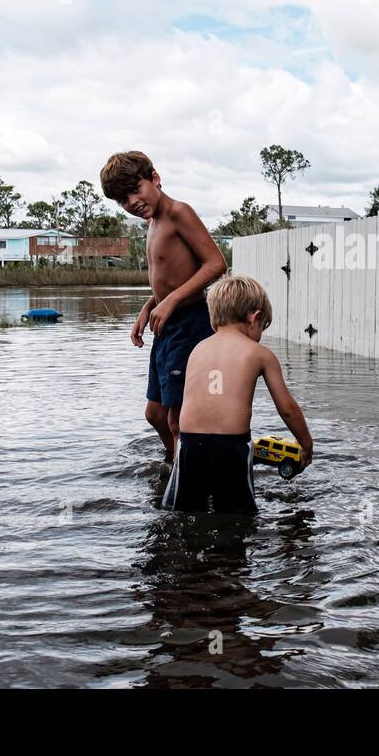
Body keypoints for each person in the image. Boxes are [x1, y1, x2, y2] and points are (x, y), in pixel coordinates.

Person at [99, 151, 227, 463]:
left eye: (135, 190)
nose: (132, 202)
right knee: (155, 414)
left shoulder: (178, 213)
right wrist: (149, 307)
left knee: (177, 418)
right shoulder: (153, 223)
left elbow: (216, 264)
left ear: (154, 178)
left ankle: (189, 479)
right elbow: (167, 280)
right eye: (122, 200)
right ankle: (176, 462)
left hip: (190, 323)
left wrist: (169, 301)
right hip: (166, 324)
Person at [166, 275, 314, 514]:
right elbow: (287, 408)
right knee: (238, 516)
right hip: (231, 447)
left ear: (214, 321)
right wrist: (306, 444)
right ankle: (229, 550)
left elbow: (187, 402)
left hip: (189, 444)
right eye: (262, 327)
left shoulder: (197, 350)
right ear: (254, 318)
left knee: (187, 512)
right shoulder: (260, 354)